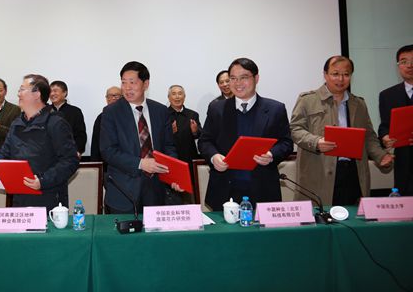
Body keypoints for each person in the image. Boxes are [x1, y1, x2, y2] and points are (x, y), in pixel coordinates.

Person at [291, 56, 393, 206]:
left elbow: (369, 137)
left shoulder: (359, 104)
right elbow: (295, 129)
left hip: (353, 172)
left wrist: (381, 156)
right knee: (321, 217)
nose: (341, 79)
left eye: (346, 74)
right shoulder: (308, 100)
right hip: (320, 172)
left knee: (353, 217)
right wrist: (316, 142)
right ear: (325, 74)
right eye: (335, 74)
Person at [198, 58, 293, 211]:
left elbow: (286, 143)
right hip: (225, 189)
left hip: (263, 189)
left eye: (244, 77)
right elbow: (205, 141)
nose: (238, 83)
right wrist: (214, 156)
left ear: (256, 78)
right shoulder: (217, 109)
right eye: (233, 78)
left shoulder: (275, 109)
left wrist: (271, 155)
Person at [0, 74, 79, 211]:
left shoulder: (56, 123)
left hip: (49, 198)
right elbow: (4, 156)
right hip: (21, 199)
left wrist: (42, 181)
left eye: (22, 89)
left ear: (37, 94)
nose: (18, 94)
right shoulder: (17, 123)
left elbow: (70, 160)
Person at [100, 61, 178, 214]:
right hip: (124, 190)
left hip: (157, 189)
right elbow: (108, 151)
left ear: (145, 84)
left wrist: (174, 173)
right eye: (123, 82)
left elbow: (169, 146)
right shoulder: (111, 112)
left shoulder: (160, 111)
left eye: (132, 82)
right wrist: (141, 163)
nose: (127, 88)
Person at [379, 45, 413, 195]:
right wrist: (385, 137)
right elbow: (384, 126)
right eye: (404, 62)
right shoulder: (387, 95)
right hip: (403, 164)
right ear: (398, 66)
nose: (409, 65)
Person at [167, 84, 202, 203]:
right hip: (171, 160)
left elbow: (200, 135)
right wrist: (170, 133)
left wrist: (195, 131)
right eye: (174, 94)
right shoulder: (163, 114)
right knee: (171, 196)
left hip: (189, 159)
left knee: (190, 196)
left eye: (180, 93)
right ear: (169, 97)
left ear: (184, 96)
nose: (177, 97)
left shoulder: (193, 115)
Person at [49, 80, 87, 156]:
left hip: (69, 154)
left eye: (55, 91)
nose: (52, 94)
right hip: (48, 154)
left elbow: (80, 135)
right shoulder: (45, 111)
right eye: (50, 91)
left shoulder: (75, 111)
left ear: (64, 93)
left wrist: (78, 151)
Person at [91, 86, 122, 160]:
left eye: (116, 96)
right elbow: (96, 142)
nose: (113, 98)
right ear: (107, 99)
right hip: (106, 160)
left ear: (123, 98)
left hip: (126, 160)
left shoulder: (129, 115)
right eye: (110, 96)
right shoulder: (101, 117)